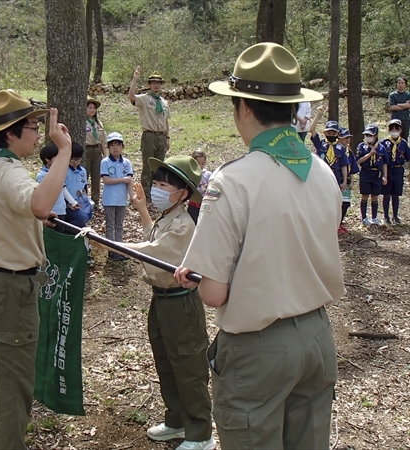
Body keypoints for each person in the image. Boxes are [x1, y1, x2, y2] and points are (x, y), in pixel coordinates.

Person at [175, 43, 344, 450]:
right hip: (318, 337)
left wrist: (197, 279)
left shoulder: (233, 181)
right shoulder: (321, 171)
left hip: (258, 348)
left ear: (244, 108)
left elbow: (214, 291)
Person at [0, 89, 71, 450]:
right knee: (14, 388)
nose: (38, 134)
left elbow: (13, 214)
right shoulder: (8, 172)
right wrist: (64, 151)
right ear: (10, 133)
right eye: (31, 126)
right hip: (9, 289)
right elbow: (40, 204)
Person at [116, 156, 215, 450]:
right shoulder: (167, 217)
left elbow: (155, 253)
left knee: (188, 365)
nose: (156, 188)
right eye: (155, 182)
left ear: (183, 193)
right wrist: (143, 209)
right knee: (166, 362)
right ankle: (177, 420)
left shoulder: (184, 224)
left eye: (163, 185)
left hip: (181, 304)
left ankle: (200, 433)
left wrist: (112, 244)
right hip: (160, 301)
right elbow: (152, 238)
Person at [129, 67, 171, 202]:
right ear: (149, 84)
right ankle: (146, 196)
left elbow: (166, 121)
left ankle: (157, 194)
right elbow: (131, 97)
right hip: (149, 136)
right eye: (153, 82)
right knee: (147, 167)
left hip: (161, 136)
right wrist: (135, 79)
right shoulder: (145, 99)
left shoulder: (164, 102)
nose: (156, 85)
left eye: (159, 83)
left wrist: (167, 137)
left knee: (159, 167)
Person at [101, 132, 134, 261]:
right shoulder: (105, 162)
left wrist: (132, 197)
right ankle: (111, 250)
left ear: (122, 147)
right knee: (110, 225)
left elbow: (129, 181)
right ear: (108, 147)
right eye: (112, 145)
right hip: (109, 199)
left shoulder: (127, 162)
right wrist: (122, 179)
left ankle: (120, 249)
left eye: (118, 145)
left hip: (122, 199)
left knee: (119, 225)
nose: (115, 148)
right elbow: (107, 180)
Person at [36, 143, 78, 232]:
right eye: (56, 157)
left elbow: (63, 188)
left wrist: (73, 202)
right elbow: (41, 194)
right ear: (47, 159)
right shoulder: (42, 176)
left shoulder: (58, 172)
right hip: (51, 212)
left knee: (61, 234)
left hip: (61, 210)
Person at [309, 107, 349, 192]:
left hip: (336, 175)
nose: (331, 134)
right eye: (329, 132)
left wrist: (345, 180)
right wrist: (318, 114)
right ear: (324, 133)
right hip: (322, 174)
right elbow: (312, 129)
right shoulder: (320, 144)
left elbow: (343, 165)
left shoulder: (341, 148)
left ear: (338, 134)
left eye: (333, 133)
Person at [356, 124, 388, 227]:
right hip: (365, 172)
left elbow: (384, 163)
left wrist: (385, 176)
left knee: (375, 196)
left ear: (376, 136)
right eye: (366, 135)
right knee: (365, 195)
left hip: (377, 173)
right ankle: (364, 217)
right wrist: (369, 154)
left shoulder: (382, 148)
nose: (368, 137)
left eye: (370, 135)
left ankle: (374, 217)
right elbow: (358, 161)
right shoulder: (361, 146)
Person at [381, 119, 410, 224]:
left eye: (396, 128)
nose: (394, 130)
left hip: (398, 170)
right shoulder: (384, 143)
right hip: (387, 169)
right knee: (386, 193)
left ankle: (395, 216)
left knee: (396, 194)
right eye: (391, 128)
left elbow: (408, 157)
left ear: (400, 130)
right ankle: (385, 216)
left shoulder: (403, 143)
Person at [85, 97, 107, 209]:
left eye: (94, 108)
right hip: (86, 150)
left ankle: (95, 201)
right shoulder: (82, 123)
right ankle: (84, 199)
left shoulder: (99, 124)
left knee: (96, 177)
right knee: (84, 176)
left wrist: (105, 154)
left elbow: (102, 140)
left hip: (96, 151)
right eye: (89, 107)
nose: (92, 110)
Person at [338, 127, 359, 234]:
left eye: (348, 138)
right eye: (344, 138)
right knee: (337, 203)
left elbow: (353, 168)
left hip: (346, 182)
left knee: (345, 204)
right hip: (338, 180)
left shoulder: (349, 153)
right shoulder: (334, 150)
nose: (347, 140)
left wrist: (351, 181)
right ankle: (335, 224)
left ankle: (340, 223)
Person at [186, 149, 212, 224]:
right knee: (192, 221)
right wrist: (200, 188)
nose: (200, 166)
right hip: (193, 203)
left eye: (202, 163)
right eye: (198, 163)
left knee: (203, 222)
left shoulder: (208, 174)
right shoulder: (191, 175)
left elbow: (212, 187)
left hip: (204, 203)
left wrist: (208, 187)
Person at [388, 76, 410, 141]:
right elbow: (392, 107)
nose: (400, 84)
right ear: (396, 84)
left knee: (404, 138)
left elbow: (409, 106)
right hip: (395, 118)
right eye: (399, 83)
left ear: (405, 85)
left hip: (405, 119)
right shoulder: (392, 95)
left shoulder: (408, 95)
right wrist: (404, 106)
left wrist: (398, 104)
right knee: (394, 137)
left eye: (402, 83)